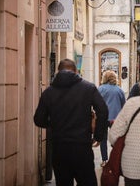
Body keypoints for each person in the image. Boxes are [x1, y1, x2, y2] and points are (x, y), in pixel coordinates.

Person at [34, 58, 108, 186]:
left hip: (59, 148)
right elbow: (103, 110)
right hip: (82, 146)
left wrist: (54, 124)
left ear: (58, 71)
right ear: (75, 71)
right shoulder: (88, 88)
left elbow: (39, 119)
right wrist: (98, 135)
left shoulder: (48, 93)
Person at [97, 70, 126, 167]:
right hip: (115, 119)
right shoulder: (119, 90)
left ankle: (104, 160)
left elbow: (97, 104)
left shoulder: (100, 89)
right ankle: (116, 160)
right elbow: (124, 105)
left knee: (103, 139)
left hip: (103, 118)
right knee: (117, 140)